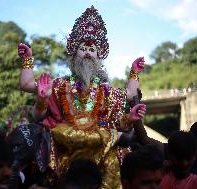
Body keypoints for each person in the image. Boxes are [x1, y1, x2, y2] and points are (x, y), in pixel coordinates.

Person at [17, 6, 148, 188]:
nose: (87, 52)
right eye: (83, 48)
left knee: (116, 158)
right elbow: (27, 88)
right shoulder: (59, 85)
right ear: (73, 54)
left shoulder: (105, 91)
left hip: (100, 154)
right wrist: (29, 63)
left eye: (92, 49)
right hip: (65, 153)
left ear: (98, 56)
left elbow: (130, 96)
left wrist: (134, 73)